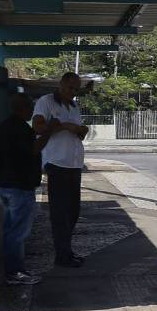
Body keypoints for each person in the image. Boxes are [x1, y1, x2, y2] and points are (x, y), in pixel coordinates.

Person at [32, 72, 89, 268]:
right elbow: (38, 127)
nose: (72, 92)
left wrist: (81, 130)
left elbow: (78, 130)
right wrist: (62, 126)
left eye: (76, 89)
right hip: (56, 163)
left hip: (74, 163)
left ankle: (67, 251)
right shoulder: (46, 102)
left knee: (73, 211)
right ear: (61, 85)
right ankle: (62, 256)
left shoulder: (73, 106)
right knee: (59, 212)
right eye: (70, 88)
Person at [0, 93, 45, 286]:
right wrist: (48, 133)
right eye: (31, 107)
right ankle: (14, 271)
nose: (32, 111)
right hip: (19, 186)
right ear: (24, 108)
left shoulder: (5, 126)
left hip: (5, 183)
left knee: (9, 229)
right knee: (17, 231)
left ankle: (11, 269)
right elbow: (32, 150)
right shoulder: (20, 129)